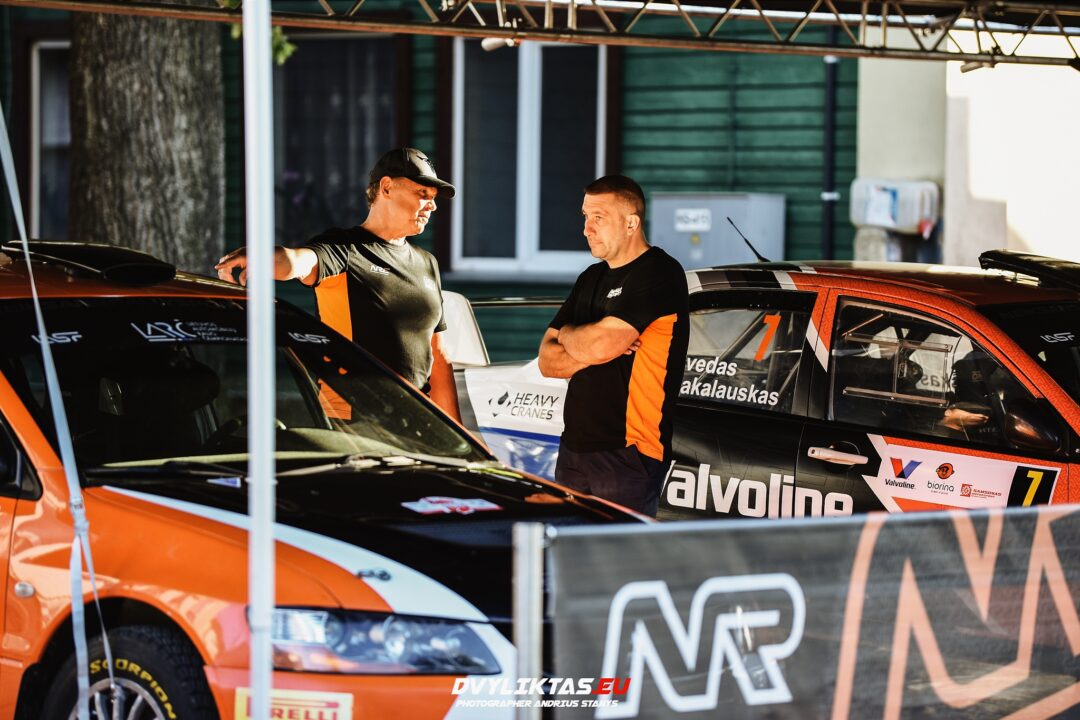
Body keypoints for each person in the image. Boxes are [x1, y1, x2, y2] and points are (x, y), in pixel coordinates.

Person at [215, 147, 461, 421]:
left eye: (433, 198)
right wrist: (261, 256)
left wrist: (460, 436)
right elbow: (298, 262)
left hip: (421, 424)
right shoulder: (344, 248)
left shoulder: (427, 263)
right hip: (356, 423)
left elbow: (438, 357)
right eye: (422, 194)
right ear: (386, 187)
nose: (432, 205)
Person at [538, 175, 689, 516]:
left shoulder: (660, 272)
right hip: (573, 449)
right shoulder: (589, 278)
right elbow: (547, 361)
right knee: (569, 548)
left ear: (631, 223)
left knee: (617, 550)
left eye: (598, 217)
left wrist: (571, 338)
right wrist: (586, 341)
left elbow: (600, 345)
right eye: (585, 217)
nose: (586, 229)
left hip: (629, 453)